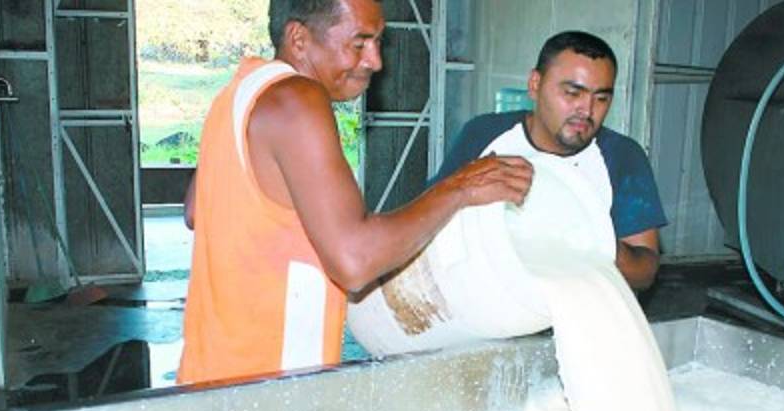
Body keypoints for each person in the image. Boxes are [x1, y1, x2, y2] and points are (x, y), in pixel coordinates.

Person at [177, 0, 533, 384]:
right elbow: (354, 260)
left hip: (210, 373)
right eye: (359, 43)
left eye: (378, 42)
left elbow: (196, 209)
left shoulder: (241, 90)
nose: (375, 61)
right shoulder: (298, 99)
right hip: (267, 386)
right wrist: (460, 188)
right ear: (299, 39)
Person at [433, 31, 666, 291]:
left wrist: (594, 235)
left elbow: (644, 274)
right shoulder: (485, 136)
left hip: (572, 303)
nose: (587, 111)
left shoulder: (621, 156)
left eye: (601, 98)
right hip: (486, 296)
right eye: (572, 93)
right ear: (535, 84)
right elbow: (428, 223)